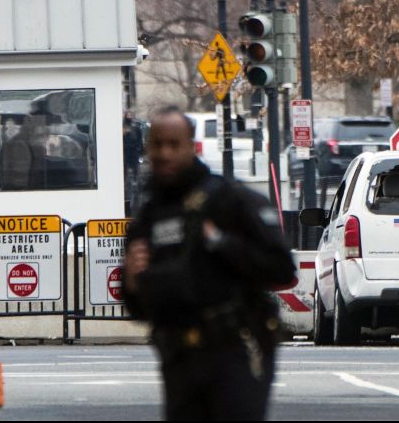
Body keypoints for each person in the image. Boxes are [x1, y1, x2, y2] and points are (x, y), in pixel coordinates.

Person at [122, 105, 296, 420]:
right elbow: (139, 309)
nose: (165, 153)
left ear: (192, 147)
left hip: (235, 350)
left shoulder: (227, 200)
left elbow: (281, 267)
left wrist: (221, 242)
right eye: (157, 144)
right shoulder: (148, 218)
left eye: (174, 144)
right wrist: (132, 283)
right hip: (179, 356)